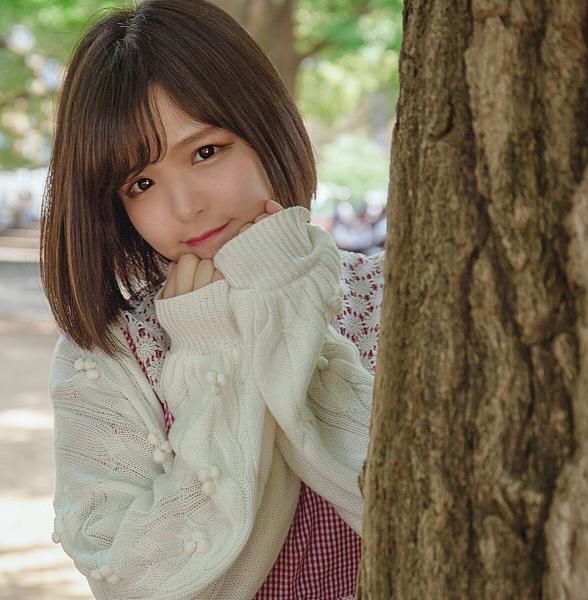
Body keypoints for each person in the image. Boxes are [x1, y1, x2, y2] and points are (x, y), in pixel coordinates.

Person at [40, 1, 383, 598]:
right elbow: (139, 583)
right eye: (141, 183)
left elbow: (428, 515)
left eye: (206, 152)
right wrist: (214, 353)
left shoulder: (384, 296)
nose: (186, 207)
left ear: (267, 128)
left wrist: (284, 308)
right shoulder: (110, 354)